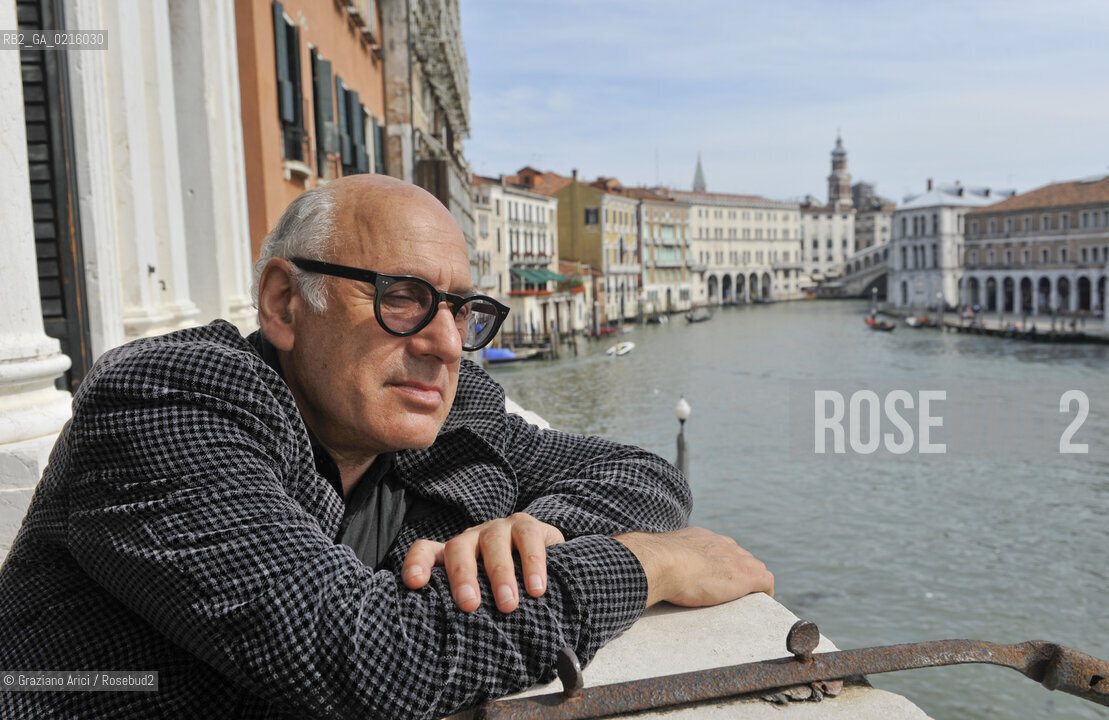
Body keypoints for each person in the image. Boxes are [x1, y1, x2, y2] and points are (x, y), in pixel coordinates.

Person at [0, 175, 772, 719]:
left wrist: (543, 529)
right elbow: (370, 658)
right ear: (283, 302)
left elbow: (630, 469)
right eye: (403, 298)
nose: (445, 344)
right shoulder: (170, 400)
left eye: (462, 310)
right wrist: (643, 564)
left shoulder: (441, 416)